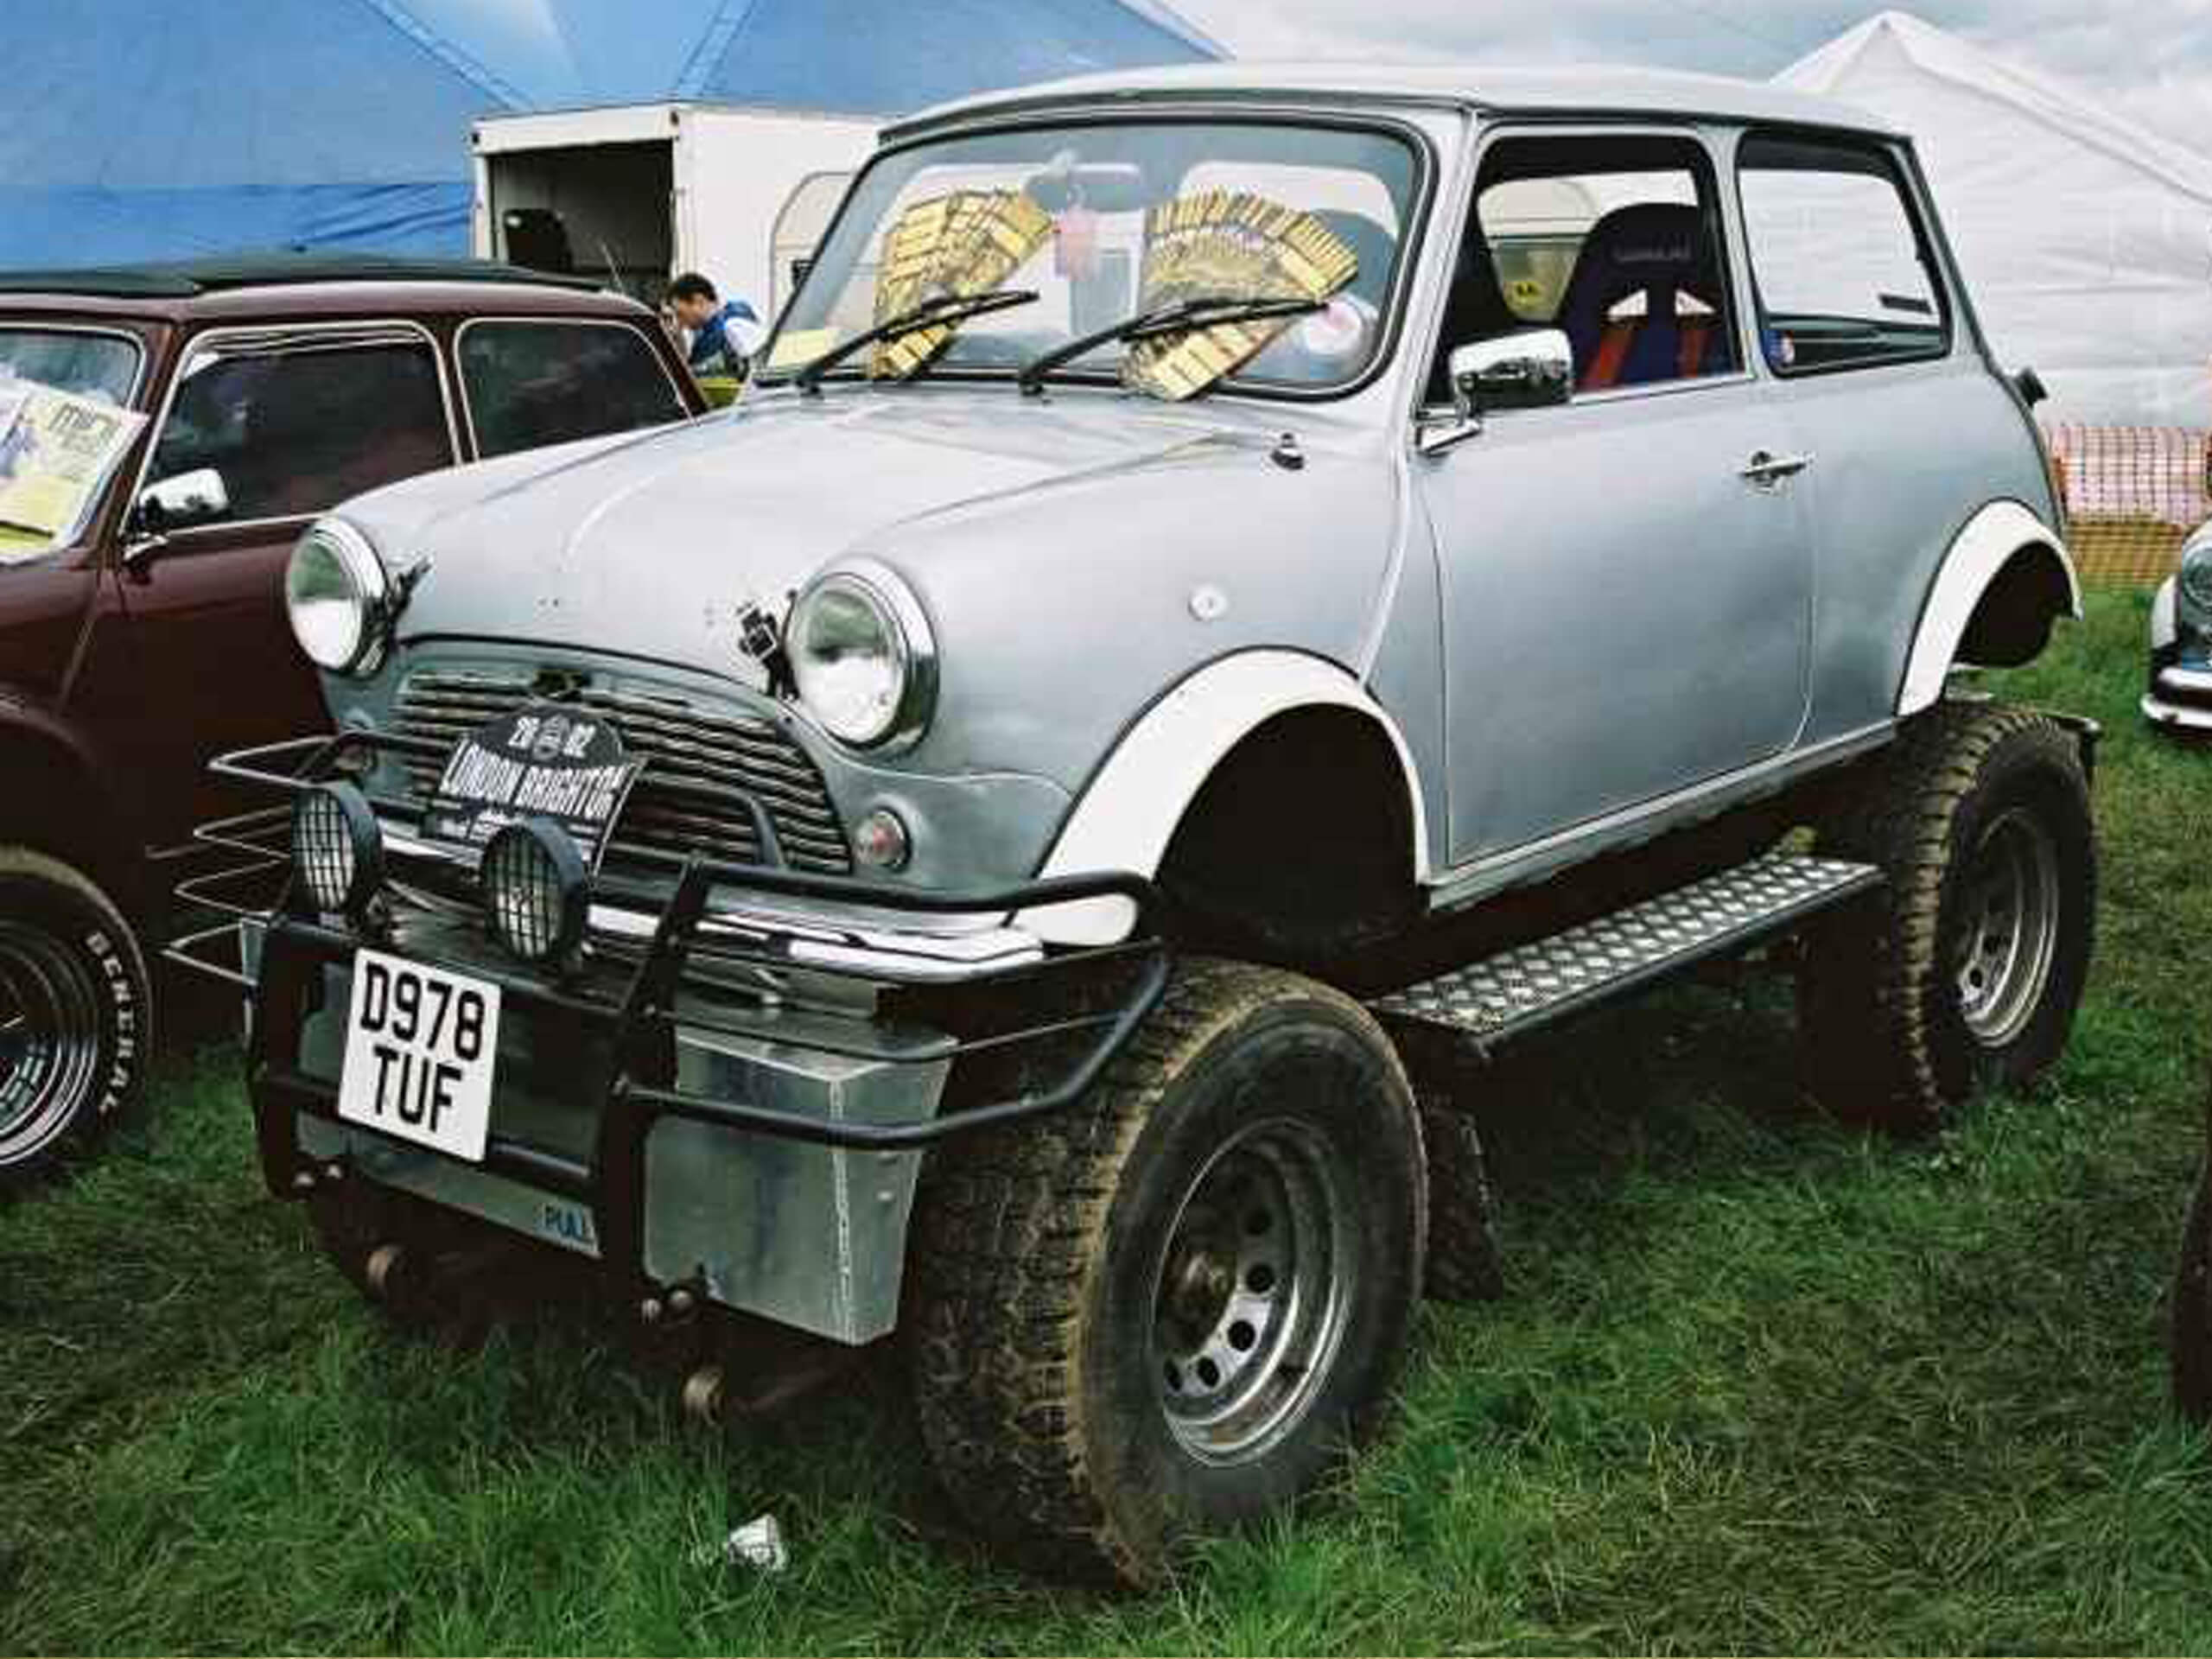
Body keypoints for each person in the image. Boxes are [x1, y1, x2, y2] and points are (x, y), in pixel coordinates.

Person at [667, 272, 765, 378]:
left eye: (680, 314)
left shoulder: (734, 322)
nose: (680, 322)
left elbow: (756, 372)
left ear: (699, 301)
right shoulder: (704, 335)